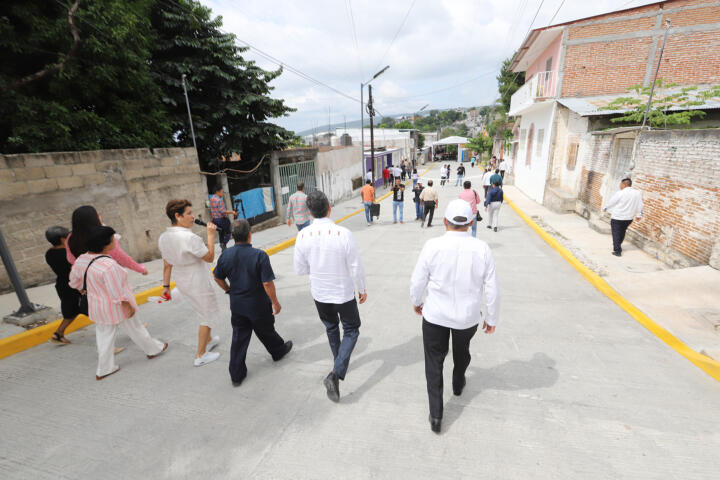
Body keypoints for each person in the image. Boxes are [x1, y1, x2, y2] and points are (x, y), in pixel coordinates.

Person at [410, 199, 499, 433]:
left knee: (434, 363)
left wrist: (416, 301)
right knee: (462, 352)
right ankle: (458, 381)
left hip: (435, 316)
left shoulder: (432, 246)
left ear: (444, 222)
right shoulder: (482, 248)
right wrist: (491, 318)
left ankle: (436, 416)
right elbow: (492, 287)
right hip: (467, 318)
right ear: (470, 222)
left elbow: (418, 279)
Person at [294, 191, 367, 403]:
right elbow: (356, 265)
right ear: (329, 208)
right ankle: (336, 372)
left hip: (320, 292)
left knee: (331, 328)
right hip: (343, 293)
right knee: (352, 329)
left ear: (309, 212)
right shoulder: (343, 233)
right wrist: (362, 288)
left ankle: (337, 365)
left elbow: (299, 269)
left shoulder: (302, 235)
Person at [69, 226, 167, 380]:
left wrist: (83, 290)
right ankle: (154, 349)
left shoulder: (81, 260)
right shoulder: (109, 266)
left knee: (104, 337)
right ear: (105, 245)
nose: (115, 240)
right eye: (113, 238)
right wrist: (128, 305)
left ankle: (104, 369)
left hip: (98, 306)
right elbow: (116, 292)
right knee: (135, 328)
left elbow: (74, 282)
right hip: (118, 306)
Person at [213, 220, 293, 386]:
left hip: (237, 305)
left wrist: (228, 290)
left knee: (239, 338)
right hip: (258, 305)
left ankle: (236, 374)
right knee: (266, 330)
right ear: (250, 235)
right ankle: (278, 351)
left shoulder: (225, 255)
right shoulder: (259, 255)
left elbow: (217, 276)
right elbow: (267, 283)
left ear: (233, 237)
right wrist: (275, 302)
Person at [158, 199, 221, 367]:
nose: (193, 217)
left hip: (182, 279)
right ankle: (200, 354)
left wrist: (166, 287)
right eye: (189, 214)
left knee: (201, 310)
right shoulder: (190, 237)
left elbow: (167, 264)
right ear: (178, 216)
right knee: (207, 314)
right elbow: (209, 257)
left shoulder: (163, 237)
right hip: (196, 279)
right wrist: (210, 235)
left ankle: (208, 339)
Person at [66, 205, 147, 276]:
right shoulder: (102, 235)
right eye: (97, 215)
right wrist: (141, 269)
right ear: (93, 219)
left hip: (89, 279)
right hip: (108, 274)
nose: (100, 217)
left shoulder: (70, 238)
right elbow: (121, 257)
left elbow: (71, 260)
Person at [45, 226, 80, 344]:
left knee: (71, 312)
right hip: (73, 286)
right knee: (77, 311)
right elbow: (74, 270)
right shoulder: (67, 254)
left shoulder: (49, 253)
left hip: (62, 285)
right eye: (67, 237)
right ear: (62, 239)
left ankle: (58, 334)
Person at [603, 178, 643, 257]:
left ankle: (617, 250)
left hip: (617, 217)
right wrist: (639, 215)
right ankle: (618, 244)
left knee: (616, 233)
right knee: (622, 232)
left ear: (624, 184)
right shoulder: (637, 193)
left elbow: (612, 202)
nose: (620, 186)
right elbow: (640, 205)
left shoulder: (620, 193)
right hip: (628, 218)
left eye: (620, 184)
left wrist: (605, 207)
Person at [209, 185, 237, 252]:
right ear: (217, 192)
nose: (222, 193)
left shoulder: (211, 199)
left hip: (215, 220)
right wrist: (232, 212)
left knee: (221, 232)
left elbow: (211, 210)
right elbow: (222, 211)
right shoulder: (219, 200)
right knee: (229, 232)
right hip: (221, 219)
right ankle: (223, 244)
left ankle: (222, 246)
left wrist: (212, 219)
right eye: (221, 191)